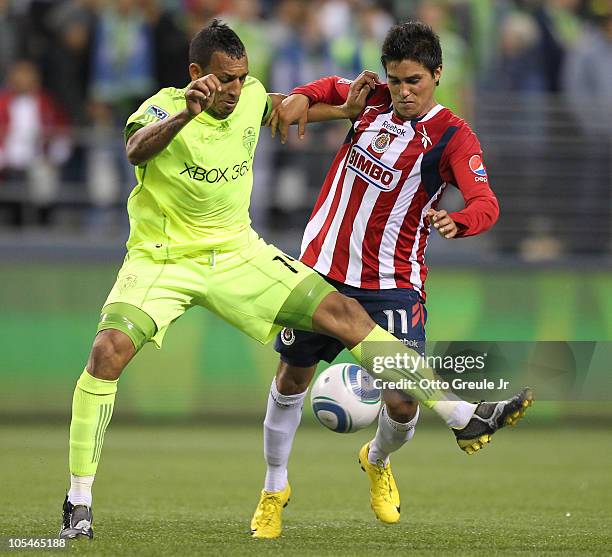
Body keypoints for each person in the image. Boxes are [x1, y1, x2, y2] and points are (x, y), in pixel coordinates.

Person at [58, 19, 532, 540]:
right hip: (163, 259)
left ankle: (454, 418)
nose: (235, 90)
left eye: (241, 78)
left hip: (248, 255)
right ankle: (81, 501)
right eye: (224, 79)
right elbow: (135, 150)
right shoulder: (163, 106)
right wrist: (185, 116)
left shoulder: (264, 99)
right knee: (109, 353)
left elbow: (292, 104)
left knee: (361, 344)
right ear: (197, 75)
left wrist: (331, 106)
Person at [249, 21, 531, 539]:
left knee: (402, 401)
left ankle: (377, 459)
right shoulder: (370, 98)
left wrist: (459, 220)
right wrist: (297, 98)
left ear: (438, 75)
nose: (403, 92)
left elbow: (486, 204)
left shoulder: (453, 137)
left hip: (391, 283)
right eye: (396, 80)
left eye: (414, 81)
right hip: (322, 269)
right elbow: (321, 89)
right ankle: (274, 488)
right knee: (292, 377)